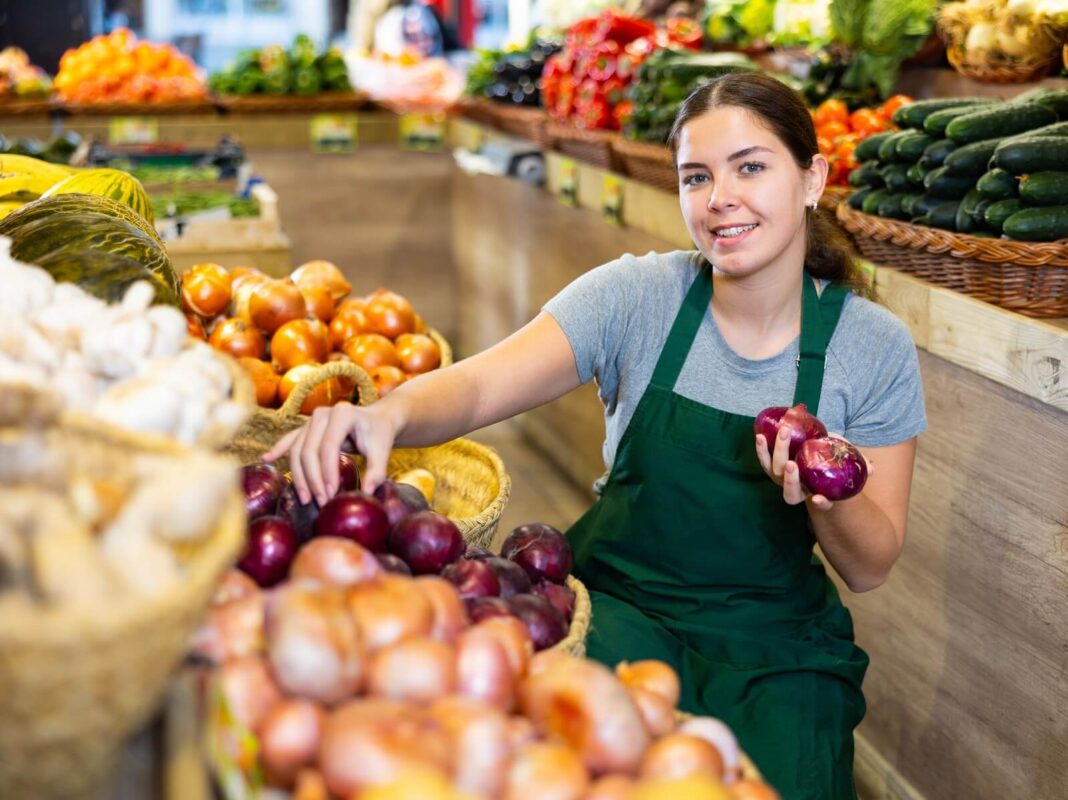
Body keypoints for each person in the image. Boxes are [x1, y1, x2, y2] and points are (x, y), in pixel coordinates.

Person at [265, 72, 926, 799]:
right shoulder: (639, 297)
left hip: (777, 648)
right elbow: (484, 383)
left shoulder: (871, 346)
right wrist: (388, 413)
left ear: (811, 179)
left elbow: (870, 567)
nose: (720, 199)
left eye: (751, 167)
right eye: (696, 176)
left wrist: (823, 498)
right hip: (620, 611)